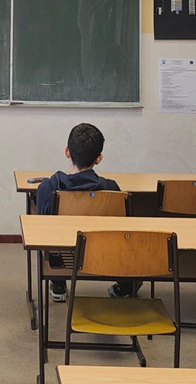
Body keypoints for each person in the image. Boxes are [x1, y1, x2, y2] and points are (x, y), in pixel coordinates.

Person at [35, 123, 132, 302]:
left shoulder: (47, 188)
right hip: (104, 254)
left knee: (51, 240)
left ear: (67, 151)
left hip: (62, 255)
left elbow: (43, 232)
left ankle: (58, 284)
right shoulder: (112, 189)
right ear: (99, 158)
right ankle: (125, 286)